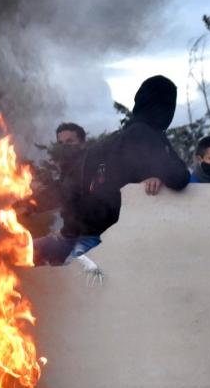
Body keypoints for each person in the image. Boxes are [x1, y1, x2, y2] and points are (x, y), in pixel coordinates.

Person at [36, 75, 189, 266]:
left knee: (63, 272)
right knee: (66, 276)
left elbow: (174, 175)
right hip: (91, 234)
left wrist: (156, 176)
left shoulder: (126, 136)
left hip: (89, 233)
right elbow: (178, 175)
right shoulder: (142, 133)